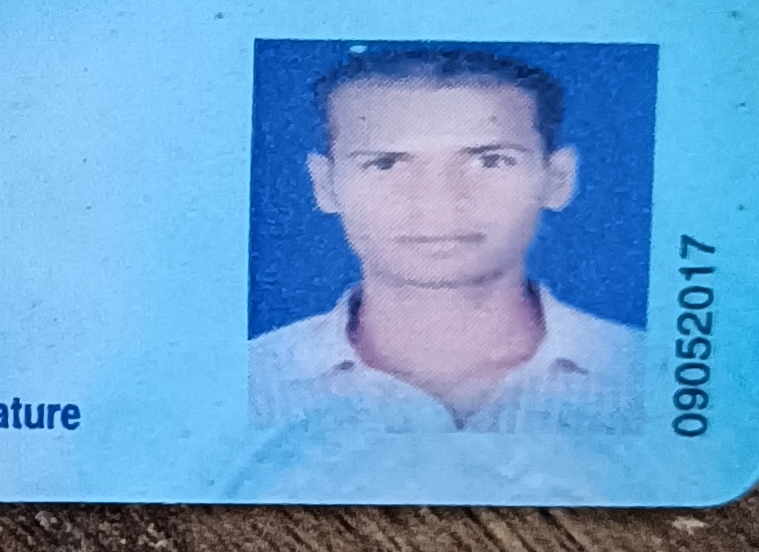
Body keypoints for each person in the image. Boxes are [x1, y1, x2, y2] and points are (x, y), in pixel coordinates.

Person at [247, 47, 641, 447]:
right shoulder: (249, 382)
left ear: (557, 178)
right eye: (385, 163)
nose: (438, 204)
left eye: (490, 161)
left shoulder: (647, 376)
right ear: (325, 185)